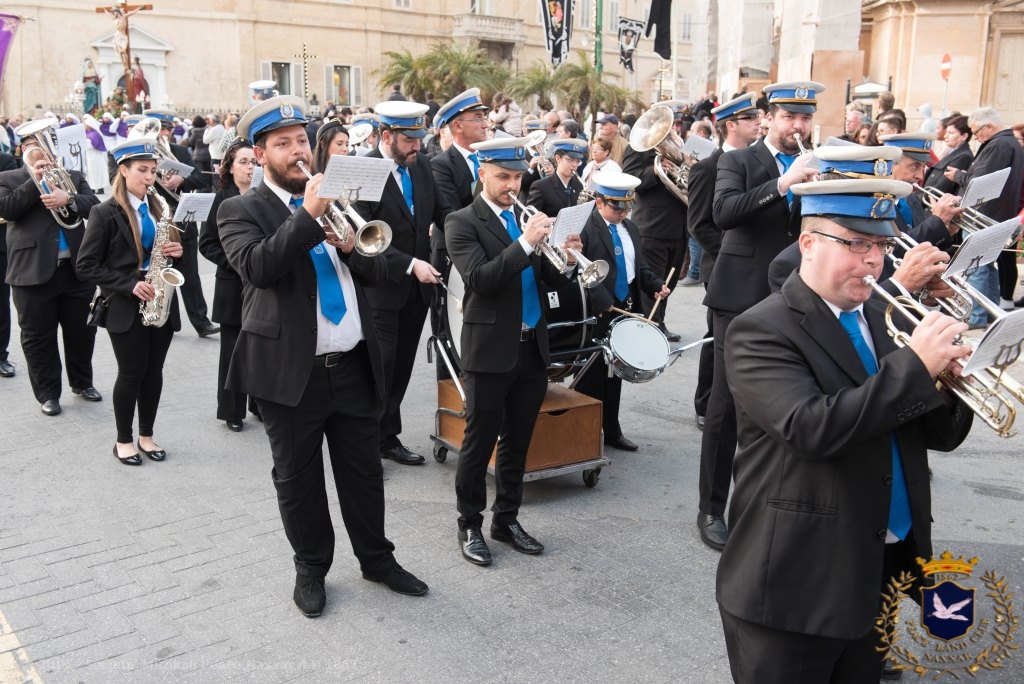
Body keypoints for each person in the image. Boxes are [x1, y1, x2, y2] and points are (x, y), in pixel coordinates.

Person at [716, 177, 973, 682]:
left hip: (878, 563)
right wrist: (915, 369)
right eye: (856, 243)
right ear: (808, 244)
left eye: (881, 244)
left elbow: (936, 436)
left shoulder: (885, 315)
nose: (874, 260)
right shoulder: (760, 329)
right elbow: (812, 428)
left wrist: (946, 384)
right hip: (796, 582)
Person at [217, 95, 428, 617]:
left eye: (299, 143)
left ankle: (377, 559)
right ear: (260, 154)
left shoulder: (337, 203)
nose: (297, 153)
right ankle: (311, 567)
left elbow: (379, 276)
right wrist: (308, 217)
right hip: (291, 376)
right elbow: (260, 268)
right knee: (298, 480)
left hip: (352, 365)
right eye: (282, 144)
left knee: (363, 473)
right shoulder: (241, 209)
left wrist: (354, 247)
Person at [444, 136, 581, 566]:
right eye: (503, 176)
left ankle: (506, 519)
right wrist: (524, 242)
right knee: (478, 440)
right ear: (482, 173)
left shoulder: (530, 220)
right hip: (489, 349)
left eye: (518, 176)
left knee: (518, 440)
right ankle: (469, 523)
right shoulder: (461, 222)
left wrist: (569, 259)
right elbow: (482, 280)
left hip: (532, 345)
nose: (512, 185)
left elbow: (549, 282)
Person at [696, 82, 821, 550]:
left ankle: (766, 500)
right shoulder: (739, 160)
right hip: (741, 297)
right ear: (768, 119)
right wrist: (785, 183)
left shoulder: (819, 162)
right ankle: (711, 508)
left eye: (806, 118)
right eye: (790, 117)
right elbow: (724, 211)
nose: (799, 127)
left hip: (795, 297)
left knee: (786, 402)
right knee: (727, 406)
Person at [77, 138, 183, 464]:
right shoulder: (103, 212)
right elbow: (86, 265)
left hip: (159, 296)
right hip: (126, 301)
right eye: (142, 171)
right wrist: (128, 285)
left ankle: (147, 436)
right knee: (131, 372)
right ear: (123, 170)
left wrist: (174, 252)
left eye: (153, 171)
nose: (150, 178)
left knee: (154, 371)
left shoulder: (158, 207)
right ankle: (123, 439)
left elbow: (165, 249)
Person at [353, 101, 448, 466]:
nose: (417, 147)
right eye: (409, 140)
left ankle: (387, 437)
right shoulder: (362, 169)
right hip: (380, 288)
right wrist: (410, 265)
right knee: (379, 368)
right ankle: (365, 443)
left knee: (401, 366)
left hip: (416, 289)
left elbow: (442, 213)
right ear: (387, 136)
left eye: (419, 139)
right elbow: (360, 236)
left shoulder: (420, 164)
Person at [0, 122, 102, 416]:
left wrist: (67, 198)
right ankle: (48, 393)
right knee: (38, 337)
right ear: (23, 150)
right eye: (36, 145)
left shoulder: (72, 176)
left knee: (82, 332)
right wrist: (37, 180)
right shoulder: (8, 177)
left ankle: (83, 383)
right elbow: (7, 208)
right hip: (31, 271)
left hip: (75, 269)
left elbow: (95, 206)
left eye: (48, 145)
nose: (43, 151)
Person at [574, 172, 668, 451]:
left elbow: (637, 267)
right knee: (590, 376)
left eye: (628, 207)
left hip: (624, 309)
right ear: (600, 201)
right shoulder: (584, 227)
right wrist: (600, 299)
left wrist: (654, 285)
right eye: (618, 207)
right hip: (596, 311)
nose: (624, 213)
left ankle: (611, 430)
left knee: (615, 375)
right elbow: (579, 268)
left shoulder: (631, 228)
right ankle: (583, 434)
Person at [687, 93, 761, 432]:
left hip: (756, 267)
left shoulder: (757, 163)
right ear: (731, 125)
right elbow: (699, 224)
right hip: (721, 265)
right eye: (751, 119)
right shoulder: (707, 167)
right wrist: (731, 253)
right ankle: (707, 403)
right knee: (715, 337)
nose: (759, 123)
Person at [139, 109, 220, 337]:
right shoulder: (141, 158)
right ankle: (163, 319)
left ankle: (201, 323)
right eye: (160, 129)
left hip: (182, 221)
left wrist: (181, 179)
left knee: (191, 275)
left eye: (166, 129)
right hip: (155, 221)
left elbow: (201, 178)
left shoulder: (180, 151)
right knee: (159, 273)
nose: (163, 134)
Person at [198, 141, 258, 432]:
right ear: (230, 167)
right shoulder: (222, 198)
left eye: (253, 162)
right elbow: (206, 243)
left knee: (262, 347)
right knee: (233, 352)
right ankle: (232, 411)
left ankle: (259, 403)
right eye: (244, 162)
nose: (249, 167)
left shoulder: (265, 196)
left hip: (260, 284)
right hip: (232, 285)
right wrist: (236, 262)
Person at [943, 107, 1024, 314]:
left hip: (983, 215)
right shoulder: (1010, 143)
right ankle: (989, 312)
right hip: (996, 214)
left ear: (989, 126)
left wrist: (959, 176)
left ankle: (976, 315)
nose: (976, 137)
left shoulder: (998, 145)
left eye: (977, 131)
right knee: (985, 266)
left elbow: (981, 182)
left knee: (975, 267)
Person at [622, 103, 689, 342]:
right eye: (672, 124)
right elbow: (629, 179)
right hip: (653, 225)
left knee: (668, 281)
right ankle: (648, 324)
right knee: (654, 279)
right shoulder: (638, 147)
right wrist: (655, 170)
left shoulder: (680, 146)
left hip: (679, 225)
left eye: (677, 124)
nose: (674, 128)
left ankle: (659, 321)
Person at [431, 88, 492, 270]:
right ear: (457, 126)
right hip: (457, 254)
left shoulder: (491, 160)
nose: (485, 124)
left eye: (484, 117)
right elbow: (450, 215)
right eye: (478, 118)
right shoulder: (440, 165)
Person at [525, 138, 587, 216]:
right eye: (570, 159)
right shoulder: (540, 187)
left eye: (578, 161)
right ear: (558, 159)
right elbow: (529, 218)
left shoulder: (579, 186)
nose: (574, 165)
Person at [924, 115, 973, 196]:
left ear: (964, 136)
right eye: (946, 132)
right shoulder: (955, 152)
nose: (945, 136)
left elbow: (943, 188)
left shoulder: (963, 156)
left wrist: (918, 201)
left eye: (950, 133)